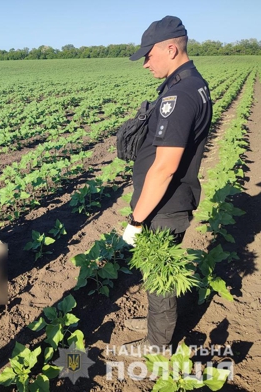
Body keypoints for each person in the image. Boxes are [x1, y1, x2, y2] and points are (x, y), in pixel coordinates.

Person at [121, 16, 212, 353]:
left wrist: (137, 220)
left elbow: (165, 167)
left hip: (164, 205)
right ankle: (156, 324)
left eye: (149, 55)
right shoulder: (189, 84)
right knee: (156, 272)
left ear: (171, 49)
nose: (145, 63)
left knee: (160, 277)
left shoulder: (182, 94)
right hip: (166, 202)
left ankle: (157, 344)